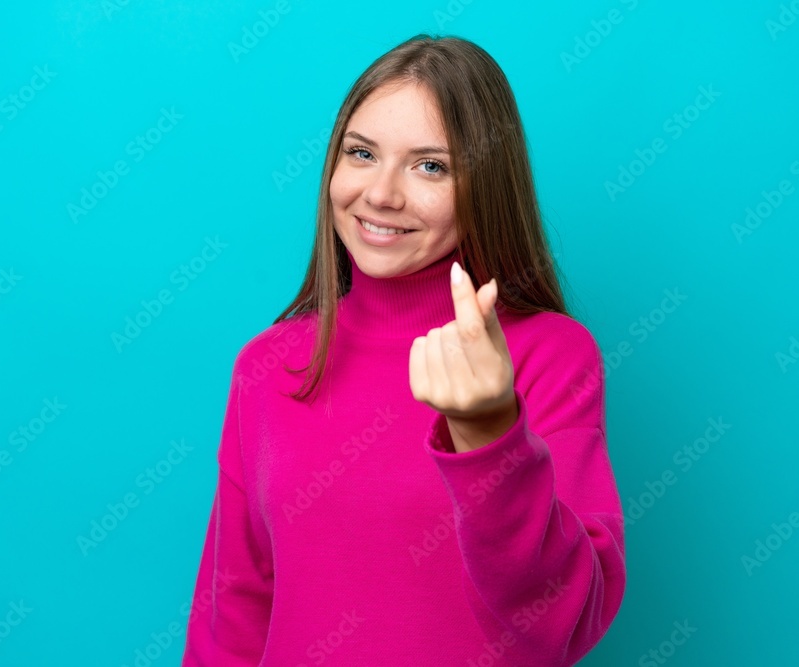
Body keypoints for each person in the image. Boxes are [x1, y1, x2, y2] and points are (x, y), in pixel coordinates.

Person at [181, 33, 625, 666]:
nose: (382, 194)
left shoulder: (551, 356)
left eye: (431, 166)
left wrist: (489, 430)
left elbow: (562, 623)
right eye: (361, 153)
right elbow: (235, 609)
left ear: (486, 189)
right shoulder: (267, 366)